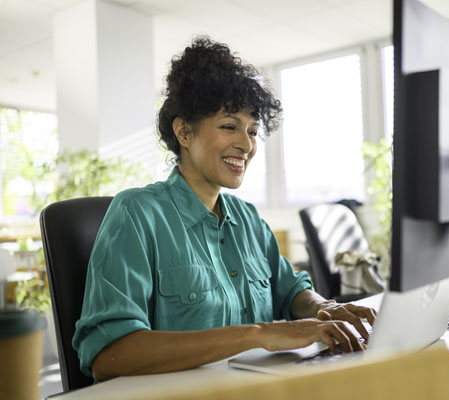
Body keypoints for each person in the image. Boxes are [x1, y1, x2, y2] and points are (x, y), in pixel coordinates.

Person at [73, 36, 377, 382]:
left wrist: (323, 307)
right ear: (184, 132)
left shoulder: (247, 218)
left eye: (252, 131)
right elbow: (110, 356)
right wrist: (258, 334)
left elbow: (290, 290)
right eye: (229, 126)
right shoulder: (137, 213)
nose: (246, 145)